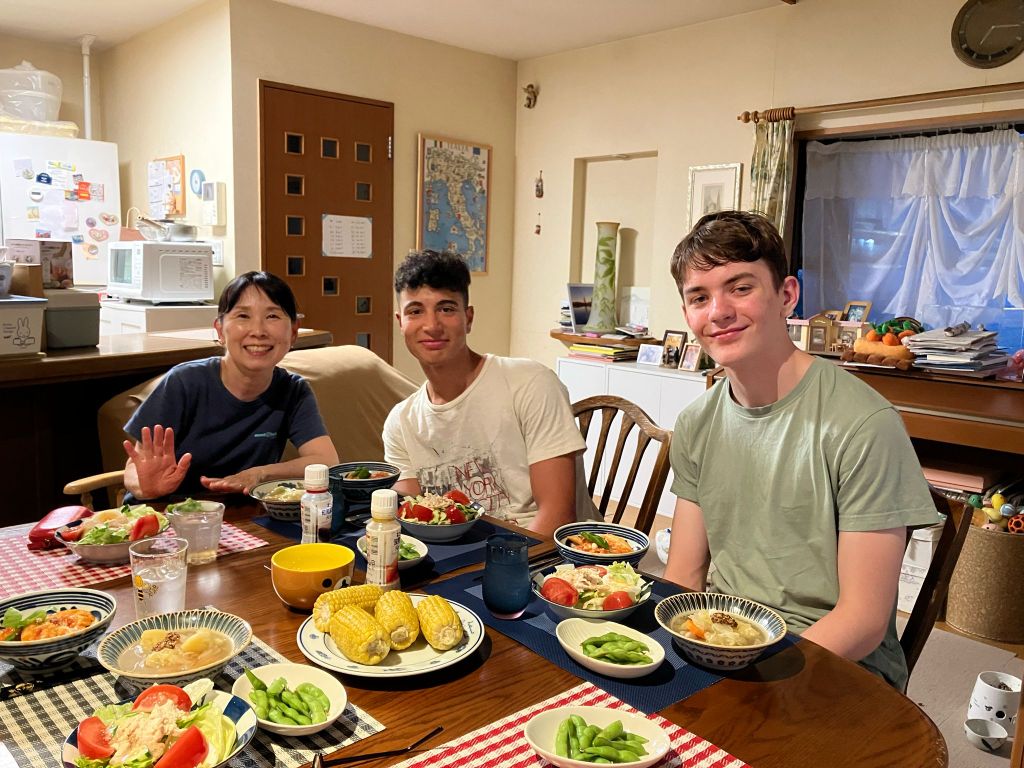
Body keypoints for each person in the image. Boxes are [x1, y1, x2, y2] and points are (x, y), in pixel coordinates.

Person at [663, 210, 937, 690]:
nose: (718, 311)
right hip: (722, 644)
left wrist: (757, 677)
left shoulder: (862, 425)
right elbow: (684, 574)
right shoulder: (696, 423)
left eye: (740, 287)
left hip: (835, 667)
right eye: (699, 297)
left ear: (786, 294)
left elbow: (864, 619)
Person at [382, 250, 597, 536]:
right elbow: (416, 521)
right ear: (400, 322)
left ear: (468, 318)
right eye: (416, 311)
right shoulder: (401, 423)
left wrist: (495, 573)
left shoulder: (530, 384)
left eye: (446, 309)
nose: (431, 326)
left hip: (556, 559)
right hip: (463, 560)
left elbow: (557, 515)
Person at [123, 271, 338, 499]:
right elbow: (135, 468)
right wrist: (147, 488)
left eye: (273, 316)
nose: (258, 331)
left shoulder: (293, 390)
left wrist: (261, 474)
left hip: (244, 519)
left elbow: (326, 461)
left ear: (294, 332)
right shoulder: (184, 383)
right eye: (243, 316)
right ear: (219, 330)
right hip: (169, 516)